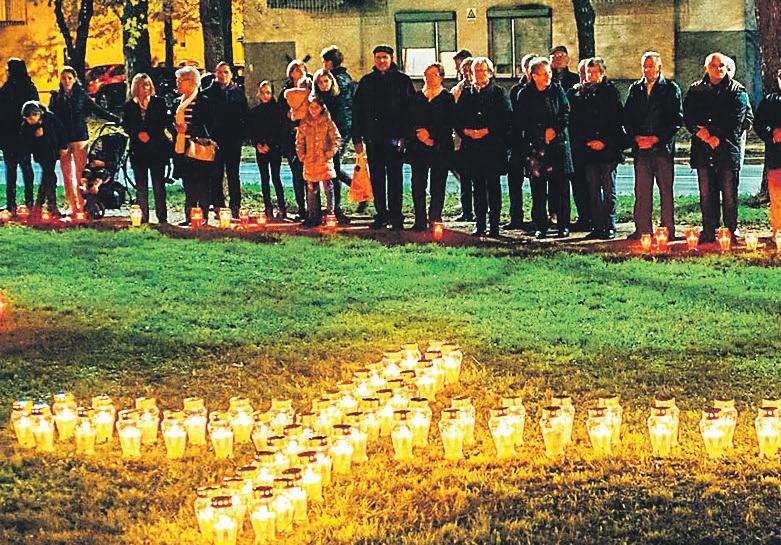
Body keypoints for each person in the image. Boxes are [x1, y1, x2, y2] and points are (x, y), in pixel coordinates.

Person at [683, 52, 749, 243]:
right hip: (702, 150)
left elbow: (736, 120)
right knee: (706, 194)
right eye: (713, 66)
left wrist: (715, 136)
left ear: (727, 68)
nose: (718, 69)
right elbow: (688, 115)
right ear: (706, 68)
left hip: (726, 150)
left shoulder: (737, 90)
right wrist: (700, 133)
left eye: (721, 66)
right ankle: (709, 230)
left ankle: (730, 230)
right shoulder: (696, 90)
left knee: (729, 195)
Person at [352, 44, 416, 230]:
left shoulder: (403, 81)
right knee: (377, 178)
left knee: (395, 178)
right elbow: (357, 111)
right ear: (374, 59)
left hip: (395, 139)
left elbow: (410, 111)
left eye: (385, 57)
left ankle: (396, 215)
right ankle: (381, 214)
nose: (381, 61)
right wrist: (357, 138)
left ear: (391, 59)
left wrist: (406, 136)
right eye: (378, 57)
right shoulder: (366, 82)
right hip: (373, 139)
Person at [624, 51, 684, 240]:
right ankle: (642, 229)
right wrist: (636, 138)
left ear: (659, 67)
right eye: (644, 66)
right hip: (641, 149)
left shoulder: (671, 89)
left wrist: (656, 138)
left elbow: (676, 120)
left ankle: (668, 229)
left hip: (661, 149)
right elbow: (627, 117)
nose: (647, 70)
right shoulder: (636, 89)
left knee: (665, 190)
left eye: (650, 66)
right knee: (642, 191)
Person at [515, 57, 573, 238]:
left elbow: (565, 112)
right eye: (543, 74)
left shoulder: (557, 90)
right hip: (536, 147)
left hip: (557, 145)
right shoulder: (525, 94)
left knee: (561, 188)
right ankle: (541, 225)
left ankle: (563, 225)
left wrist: (554, 130)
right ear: (534, 76)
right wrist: (540, 133)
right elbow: (521, 121)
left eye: (549, 73)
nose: (548, 77)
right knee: (538, 189)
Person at [49, 66, 120, 215]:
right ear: (60, 80)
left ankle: (82, 204)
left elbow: (96, 109)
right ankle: (71, 204)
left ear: (75, 79)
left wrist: (115, 119)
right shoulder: (56, 96)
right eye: (64, 78)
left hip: (79, 137)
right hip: (63, 140)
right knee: (66, 174)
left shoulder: (81, 95)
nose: (66, 81)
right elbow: (52, 117)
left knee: (80, 174)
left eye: (69, 78)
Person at [455, 56, 512, 237]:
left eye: (482, 70)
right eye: (475, 71)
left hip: (492, 147)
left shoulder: (498, 92)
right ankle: (480, 225)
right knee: (477, 187)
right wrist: (466, 131)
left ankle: (494, 226)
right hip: (472, 147)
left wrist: (487, 130)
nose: (478, 74)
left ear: (490, 72)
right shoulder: (466, 93)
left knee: (493, 187)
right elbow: (457, 118)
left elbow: (506, 118)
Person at [569, 57, 625, 239]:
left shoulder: (611, 93)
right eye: (588, 72)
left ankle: (609, 226)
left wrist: (605, 142)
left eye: (594, 72)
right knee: (592, 190)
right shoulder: (578, 93)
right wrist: (586, 141)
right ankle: (597, 225)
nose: (590, 76)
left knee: (608, 190)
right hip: (588, 151)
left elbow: (617, 122)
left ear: (601, 73)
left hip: (608, 150)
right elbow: (575, 121)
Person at [407, 63, 455, 231]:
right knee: (418, 184)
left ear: (441, 77)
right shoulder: (417, 97)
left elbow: (449, 123)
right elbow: (409, 120)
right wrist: (419, 135)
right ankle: (419, 219)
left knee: (438, 183)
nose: (429, 78)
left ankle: (435, 216)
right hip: (418, 147)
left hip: (439, 147)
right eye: (427, 75)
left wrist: (431, 137)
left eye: (434, 75)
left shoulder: (447, 98)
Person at [121, 73, 172, 224]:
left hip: (156, 149)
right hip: (139, 151)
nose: (145, 88)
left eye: (147, 85)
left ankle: (162, 217)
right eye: (142, 85)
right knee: (141, 186)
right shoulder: (129, 106)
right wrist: (138, 134)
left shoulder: (159, 103)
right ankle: (143, 217)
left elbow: (162, 122)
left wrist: (149, 133)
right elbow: (127, 125)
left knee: (159, 184)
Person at [172, 65, 217, 226]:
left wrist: (189, 129)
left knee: (202, 183)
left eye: (181, 80)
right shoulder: (178, 102)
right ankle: (189, 215)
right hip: (182, 146)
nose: (177, 83)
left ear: (191, 82)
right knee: (188, 184)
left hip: (199, 148)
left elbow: (210, 125)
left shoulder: (204, 101)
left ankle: (202, 215)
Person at [202, 62, 248, 216]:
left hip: (233, 140)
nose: (223, 75)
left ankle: (235, 205)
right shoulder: (208, 94)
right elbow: (205, 118)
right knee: (216, 174)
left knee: (233, 174)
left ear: (231, 74)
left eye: (226, 72)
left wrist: (241, 136)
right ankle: (218, 205)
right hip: (215, 140)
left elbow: (244, 116)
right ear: (215, 74)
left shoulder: (238, 94)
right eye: (220, 72)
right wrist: (209, 136)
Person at [321, 45, 357, 219]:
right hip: (346, 126)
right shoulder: (347, 78)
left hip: (336, 128)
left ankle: (354, 193)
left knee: (334, 168)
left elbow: (334, 106)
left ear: (329, 62)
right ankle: (341, 202)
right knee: (334, 166)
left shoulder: (333, 80)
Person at [505, 52, 539, 230]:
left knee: (537, 182)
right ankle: (516, 217)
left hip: (535, 142)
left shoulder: (543, 89)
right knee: (514, 181)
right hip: (518, 142)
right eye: (527, 67)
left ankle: (538, 218)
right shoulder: (515, 90)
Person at [0, 58, 38, 215]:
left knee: (13, 169)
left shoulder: (7, 89)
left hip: (13, 136)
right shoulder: (29, 88)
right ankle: (27, 202)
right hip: (21, 135)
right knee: (24, 168)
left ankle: (13, 204)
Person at [296, 96, 341, 227]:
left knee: (328, 187)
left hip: (324, 160)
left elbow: (336, 139)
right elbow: (299, 141)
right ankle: (313, 215)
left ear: (321, 108)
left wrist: (329, 153)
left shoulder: (328, 123)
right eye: (311, 107)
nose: (314, 110)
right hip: (310, 160)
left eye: (316, 107)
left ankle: (330, 214)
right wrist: (302, 155)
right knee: (312, 188)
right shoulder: (304, 123)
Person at [312, 68, 350, 224]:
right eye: (320, 82)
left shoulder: (337, 98)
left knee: (334, 173)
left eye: (326, 81)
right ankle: (315, 212)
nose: (323, 85)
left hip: (333, 140)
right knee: (316, 176)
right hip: (317, 141)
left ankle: (336, 209)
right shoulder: (315, 100)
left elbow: (340, 121)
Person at [19, 101, 67, 218]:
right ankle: (46, 205)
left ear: (38, 114)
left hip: (52, 151)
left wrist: (63, 147)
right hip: (40, 154)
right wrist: (36, 137)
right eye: (27, 119)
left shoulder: (50, 118)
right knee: (49, 176)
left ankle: (43, 205)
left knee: (50, 177)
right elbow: (25, 143)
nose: (29, 121)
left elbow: (61, 131)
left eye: (31, 119)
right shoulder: (26, 126)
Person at [249, 80, 287, 220]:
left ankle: (282, 207)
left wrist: (270, 145)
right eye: (262, 93)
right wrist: (257, 145)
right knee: (264, 178)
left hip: (274, 148)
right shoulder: (255, 112)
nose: (265, 96)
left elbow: (279, 131)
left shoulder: (277, 110)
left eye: (268, 93)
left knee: (276, 177)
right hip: (261, 149)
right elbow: (252, 131)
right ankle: (268, 207)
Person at [279, 60, 311, 220]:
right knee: (297, 173)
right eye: (297, 70)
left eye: (302, 70)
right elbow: (281, 115)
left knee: (311, 174)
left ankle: (313, 207)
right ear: (291, 73)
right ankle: (301, 207)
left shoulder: (310, 87)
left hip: (310, 135)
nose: (300, 73)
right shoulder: (286, 92)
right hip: (292, 137)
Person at [754, 68, 781, 238]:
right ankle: (778, 233)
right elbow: (759, 124)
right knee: (777, 198)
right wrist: (772, 133)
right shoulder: (770, 101)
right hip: (776, 157)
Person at [451, 56, 474, 222]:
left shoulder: (484, 89)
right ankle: (467, 210)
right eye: (464, 70)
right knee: (464, 175)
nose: (467, 73)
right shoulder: (457, 90)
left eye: (469, 70)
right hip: (461, 139)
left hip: (479, 139)